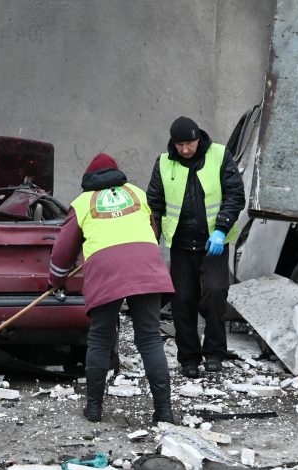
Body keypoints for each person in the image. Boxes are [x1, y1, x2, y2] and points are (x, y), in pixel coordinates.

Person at [50, 153, 176, 424]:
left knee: (100, 338)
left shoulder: (83, 203)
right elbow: (153, 232)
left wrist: (56, 280)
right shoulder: (137, 193)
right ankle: (164, 412)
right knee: (149, 339)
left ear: (88, 179)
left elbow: (62, 250)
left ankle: (94, 409)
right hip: (145, 266)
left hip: (106, 271)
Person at [146, 117, 245, 378]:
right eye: (180, 145)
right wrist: (150, 240)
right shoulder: (164, 163)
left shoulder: (219, 155)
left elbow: (235, 194)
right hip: (180, 244)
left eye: (189, 144)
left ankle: (214, 353)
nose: (185, 149)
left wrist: (221, 229)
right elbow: (154, 203)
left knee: (215, 293)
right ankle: (189, 357)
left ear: (198, 139)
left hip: (213, 243)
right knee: (182, 300)